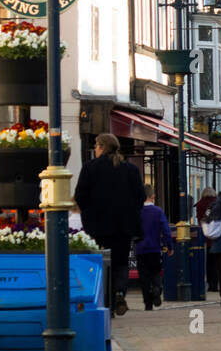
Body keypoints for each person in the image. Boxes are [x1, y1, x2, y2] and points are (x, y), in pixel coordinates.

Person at [74, 133, 145, 316]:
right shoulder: (130, 169)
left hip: (98, 226)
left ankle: (105, 301)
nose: (95, 150)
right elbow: (141, 196)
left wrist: (89, 212)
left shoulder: (90, 168)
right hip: (124, 227)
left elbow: (80, 195)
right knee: (120, 263)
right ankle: (119, 293)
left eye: (96, 146)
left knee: (100, 262)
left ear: (102, 147)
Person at [134, 184, 173, 310]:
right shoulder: (158, 211)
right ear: (153, 196)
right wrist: (169, 246)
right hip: (155, 248)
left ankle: (148, 304)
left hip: (140, 248)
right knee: (156, 272)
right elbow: (166, 230)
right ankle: (157, 288)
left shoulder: (137, 211)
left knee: (144, 277)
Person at [195, 187, 220, 292]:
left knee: (208, 262)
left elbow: (200, 220)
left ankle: (210, 283)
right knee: (217, 262)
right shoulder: (217, 203)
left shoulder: (200, 205)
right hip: (217, 236)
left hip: (205, 236)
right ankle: (215, 284)